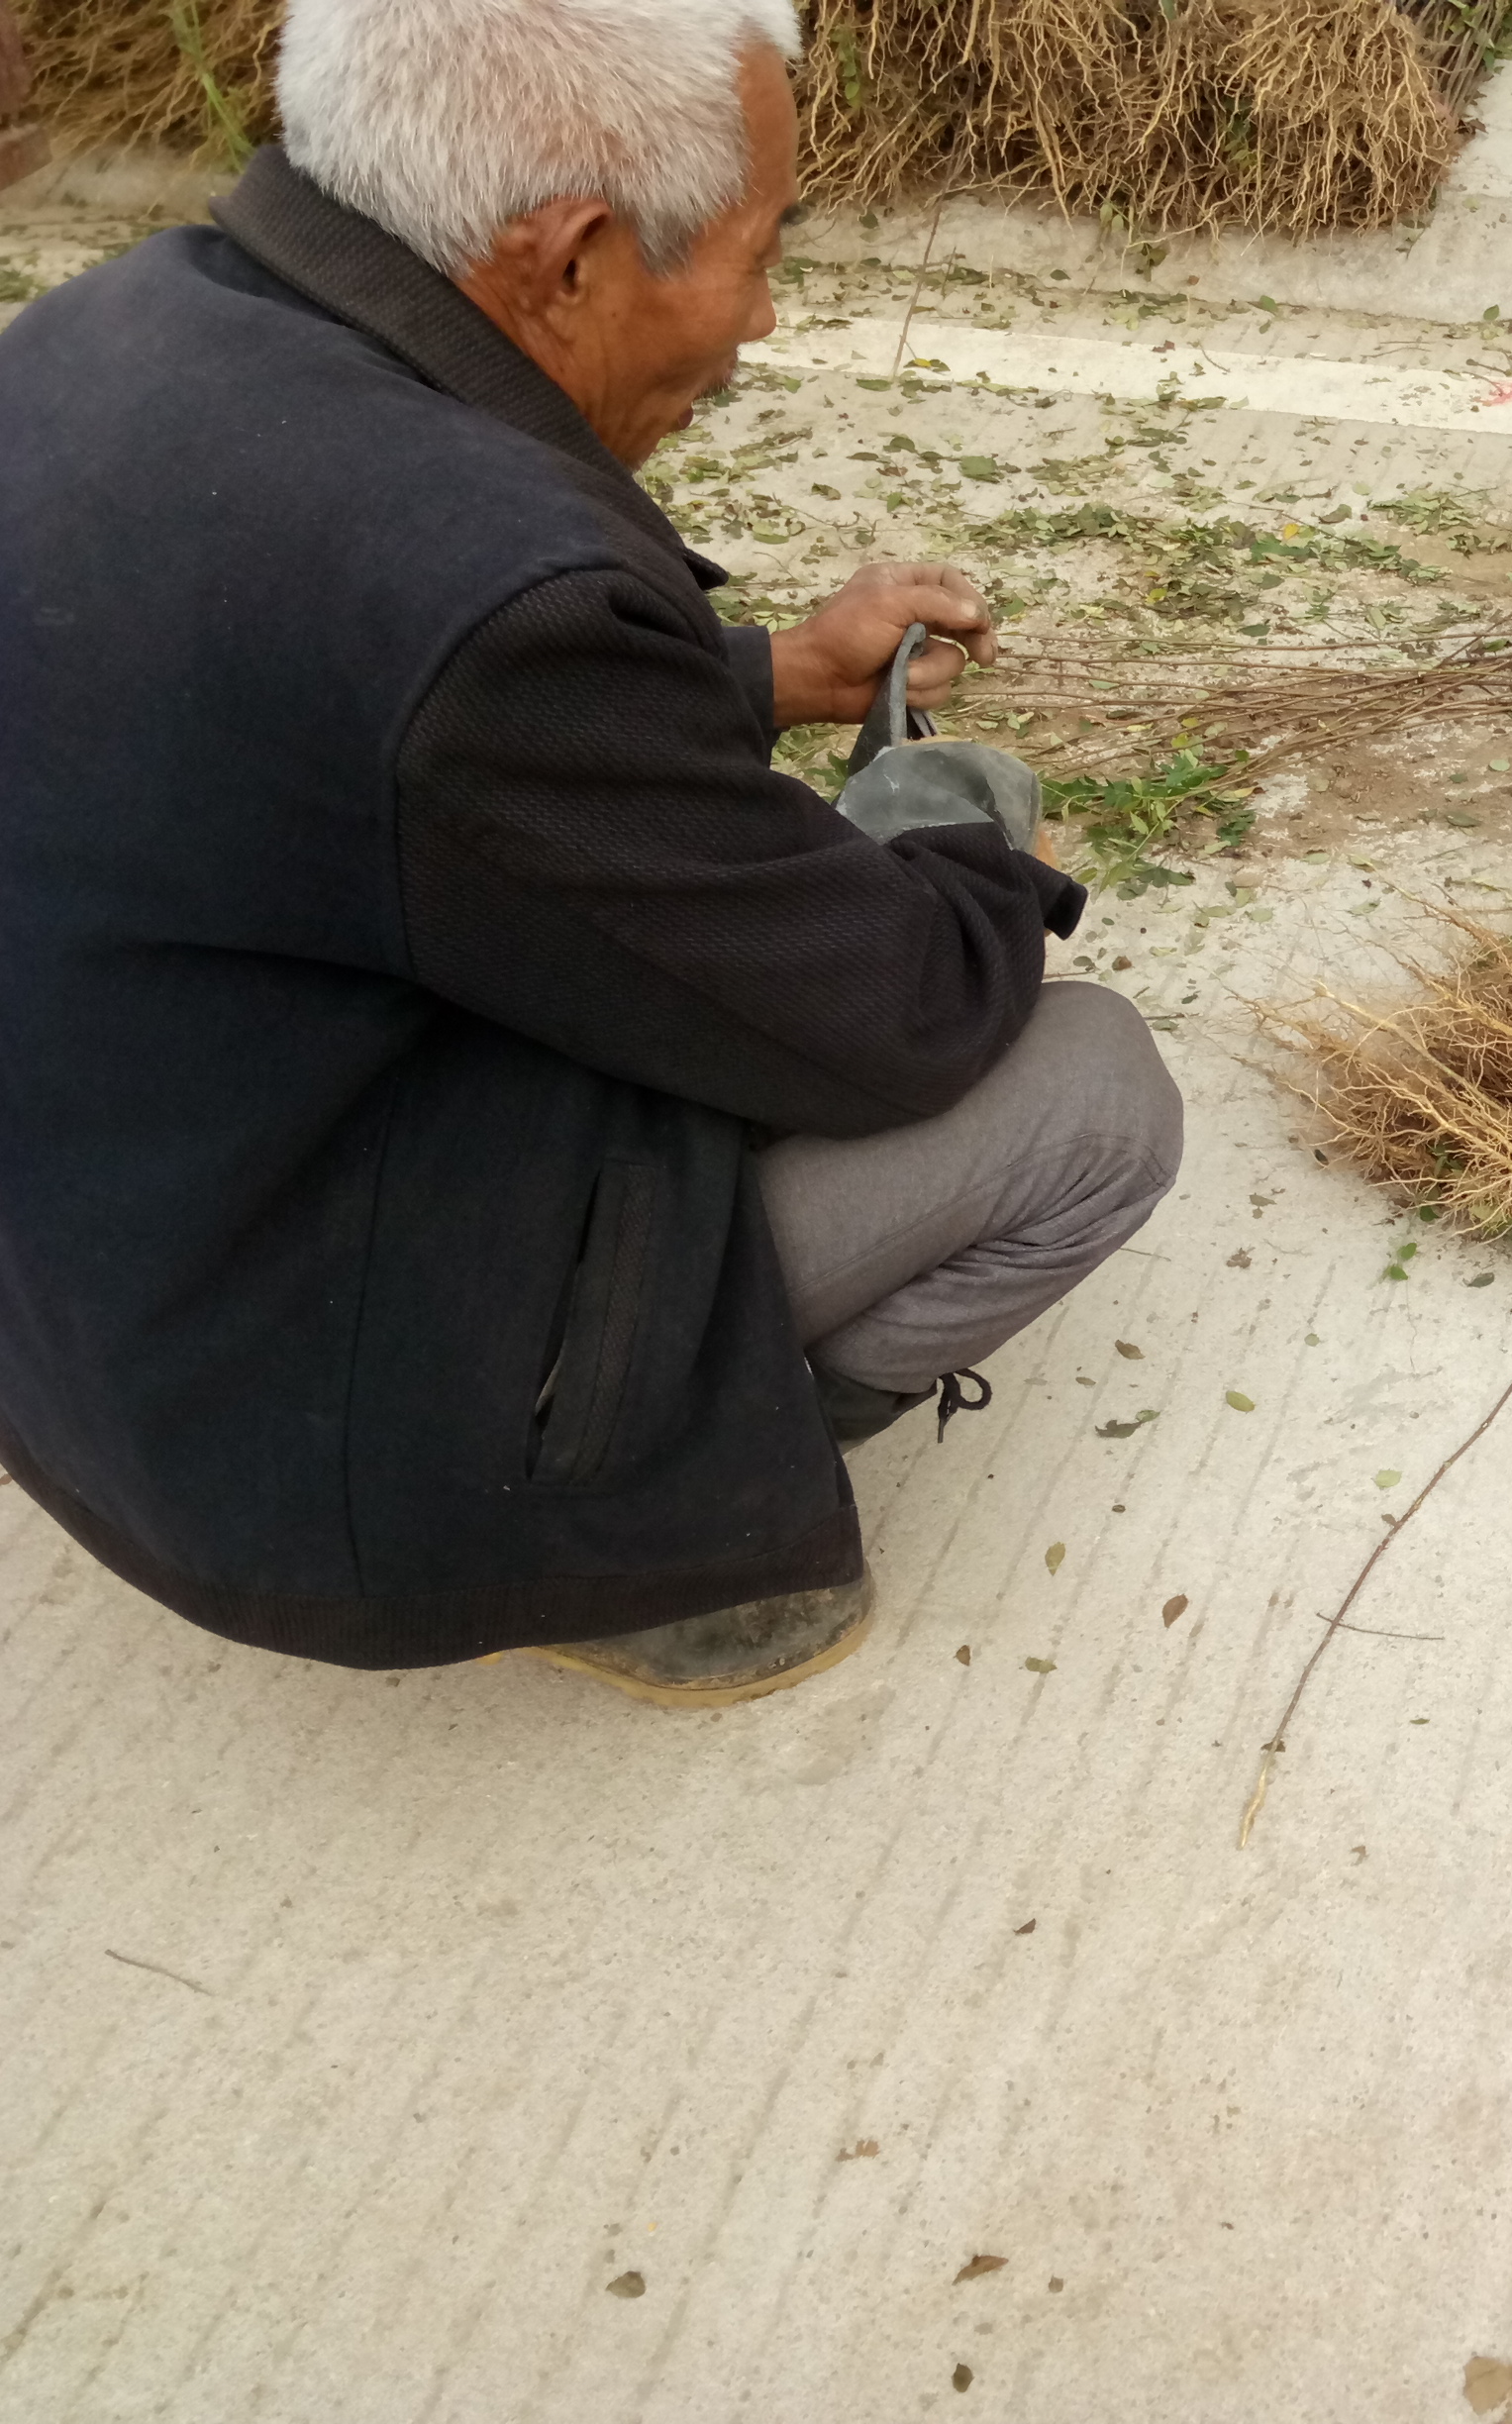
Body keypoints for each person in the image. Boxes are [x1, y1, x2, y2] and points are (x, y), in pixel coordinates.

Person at [0, 0, 1181, 1705]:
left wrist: (764, 672)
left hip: (86, 1309)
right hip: (295, 1446)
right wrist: (962, 824)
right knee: (1087, 1096)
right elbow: (891, 1015)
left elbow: (323, 692)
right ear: (570, 259)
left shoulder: (96, 335)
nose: (761, 319)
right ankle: (637, 1529)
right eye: (759, 255)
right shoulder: (486, 598)